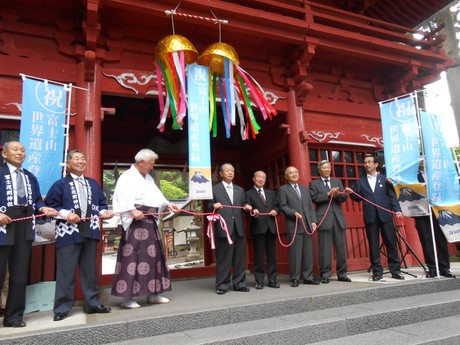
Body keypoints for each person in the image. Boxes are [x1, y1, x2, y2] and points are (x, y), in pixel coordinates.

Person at [45, 150, 114, 321]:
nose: (81, 161)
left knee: (89, 270)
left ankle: (92, 304)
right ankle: (61, 308)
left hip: (89, 230)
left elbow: (101, 204)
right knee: (66, 271)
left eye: (83, 158)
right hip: (68, 232)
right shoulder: (60, 185)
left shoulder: (92, 183)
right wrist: (67, 214)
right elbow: (51, 207)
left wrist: (104, 212)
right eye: (76, 159)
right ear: (68, 164)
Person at [111, 149, 179, 308]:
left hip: (150, 222)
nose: (152, 167)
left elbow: (158, 197)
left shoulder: (148, 178)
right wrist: (132, 210)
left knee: (154, 258)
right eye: (150, 164)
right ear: (141, 162)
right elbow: (121, 196)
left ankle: (154, 294)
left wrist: (168, 204)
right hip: (136, 223)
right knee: (132, 259)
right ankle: (127, 298)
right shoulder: (127, 177)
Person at [0, 141, 57, 327]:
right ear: (4, 154)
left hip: (25, 223)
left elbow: (36, 201)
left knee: (19, 273)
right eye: (15, 149)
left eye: (22, 150)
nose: (19, 153)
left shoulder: (30, 177)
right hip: (2, 222)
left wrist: (44, 208)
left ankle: (13, 317)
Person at [345, 154, 405, 281]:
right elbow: (356, 198)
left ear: (376, 164)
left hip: (385, 215)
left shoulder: (384, 179)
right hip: (370, 217)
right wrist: (351, 193)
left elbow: (392, 196)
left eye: (369, 162)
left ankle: (395, 270)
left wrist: (397, 210)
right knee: (373, 245)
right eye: (365, 162)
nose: (367, 164)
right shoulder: (361, 181)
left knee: (391, 243)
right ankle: (377, 271)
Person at [207, 163, 252, 295]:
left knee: (239, 258)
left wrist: (247, 206)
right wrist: (213, 205)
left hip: (238, 228)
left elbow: (243, 204)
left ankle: (240, 284)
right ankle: (222, 284)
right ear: (221, 174)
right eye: (227, 171)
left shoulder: (240, 189)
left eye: (232, 171)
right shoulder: (214, 189)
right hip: (223, 228)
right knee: (224, 258)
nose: (230, 173)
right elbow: (208, 206)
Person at [413, 158, 455, 279]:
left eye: (424, 159)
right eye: (419, 159)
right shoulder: (412, 177)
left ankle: (445, 267)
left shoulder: (436, 175)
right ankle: (432, 267)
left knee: (441, 239)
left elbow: (447, 189)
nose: (421, 161)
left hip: (438, 210)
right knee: (426, 241)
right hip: (421, 212)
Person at [309, 160, 351, 284]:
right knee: (324, 249)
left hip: (338, 218)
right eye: (324, 168)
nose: (327, 170)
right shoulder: (313, 183)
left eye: (329, 167)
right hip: (323, 217)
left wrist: (338, 194)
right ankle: (325, 274)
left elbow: (343, 198)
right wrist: (327, 194)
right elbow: (313, 198)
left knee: (341, 248)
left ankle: (342, 274)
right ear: (319, 170)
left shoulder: (337, 181)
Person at [277, 166, 318, 287]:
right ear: (286, 176)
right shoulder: (283, 189)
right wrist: (293, 212)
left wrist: (313, 221)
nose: (294, 174)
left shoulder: (305, 189)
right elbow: (283, 206)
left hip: (307, 224)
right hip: (294, 224)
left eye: (295, 172)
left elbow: (310, 207)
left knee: (308, 253)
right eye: (290, 173)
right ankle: (294, 278)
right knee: (295, 253)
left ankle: (308, 277)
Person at [246, 170, 280, 289]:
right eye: (258, 177)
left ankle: (272, 280)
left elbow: (277, 206)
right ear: (254, 179)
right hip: (258, 228)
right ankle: (259, 281)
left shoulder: (271, 193)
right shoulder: (248, 193)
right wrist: (252, 211)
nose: (261, 179)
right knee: (259, 256)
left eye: (263, 178)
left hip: (271, 227)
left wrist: (276, 211)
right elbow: (246, 208)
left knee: (272, 255)